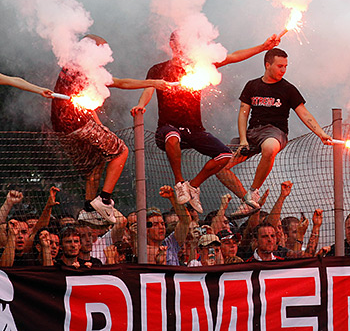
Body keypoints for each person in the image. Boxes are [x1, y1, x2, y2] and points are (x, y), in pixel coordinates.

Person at [132, 32, 282, 213]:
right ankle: (180, 184)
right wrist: (141, 105)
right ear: (172, 45)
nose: (184, 48)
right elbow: (148, 88)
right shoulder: (158, 69)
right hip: (168, 127)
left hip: (194, 128)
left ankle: (193, 186)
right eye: (180, 44)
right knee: (172, 137)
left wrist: (263, 47)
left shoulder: (199, 65)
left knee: (225, 156)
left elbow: (232, 57)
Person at [51, 35, 172, 223]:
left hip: (62, 129)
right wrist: (152, 83)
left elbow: (85, 103)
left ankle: (89, 209)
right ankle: (105, 200)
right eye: (102, 50)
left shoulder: (70, 67)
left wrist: (99, 126)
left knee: (95, 163)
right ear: (91, 50)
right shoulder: (86, 68)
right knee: (121, 151)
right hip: (77, 123)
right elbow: (121, 83)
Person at [233, 48, 333, 206]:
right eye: (280, 66)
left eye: (286, 66)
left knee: (270, 148)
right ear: (267, 65)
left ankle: (253, 192)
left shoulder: (288, 89)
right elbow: (243, 114)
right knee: (220, 163)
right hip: (252, 133)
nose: (283, 70)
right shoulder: (252, 85)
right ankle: (246, 200)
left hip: (275, 132)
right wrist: (243, 140)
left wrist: (321, 134)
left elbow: (304, 114)